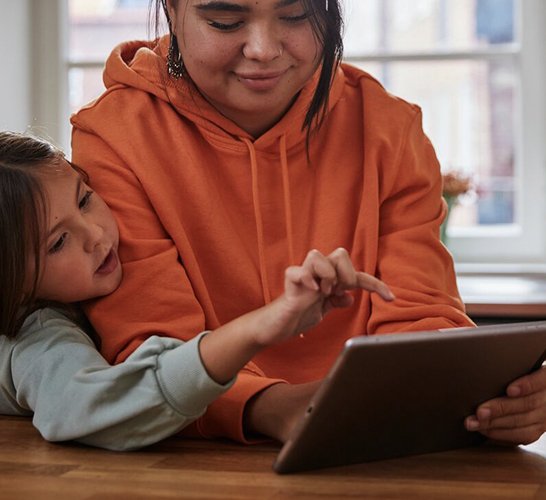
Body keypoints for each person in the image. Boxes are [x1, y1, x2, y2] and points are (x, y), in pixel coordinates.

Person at [71, 0, 546, 447]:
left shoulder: (387, 129)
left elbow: (422, 317)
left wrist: (488, 394)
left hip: (368, 445)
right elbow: (146, 349)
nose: (263, 48)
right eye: (225, 22)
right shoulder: (115, 137)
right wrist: (273, 406)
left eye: (295, 15)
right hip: (187, 457)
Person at [0, 130, 393, 450]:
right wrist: (254, 330)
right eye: (57, 243)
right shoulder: (36, 337)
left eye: (85, 200)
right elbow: (84, 406)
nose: (96, 235)